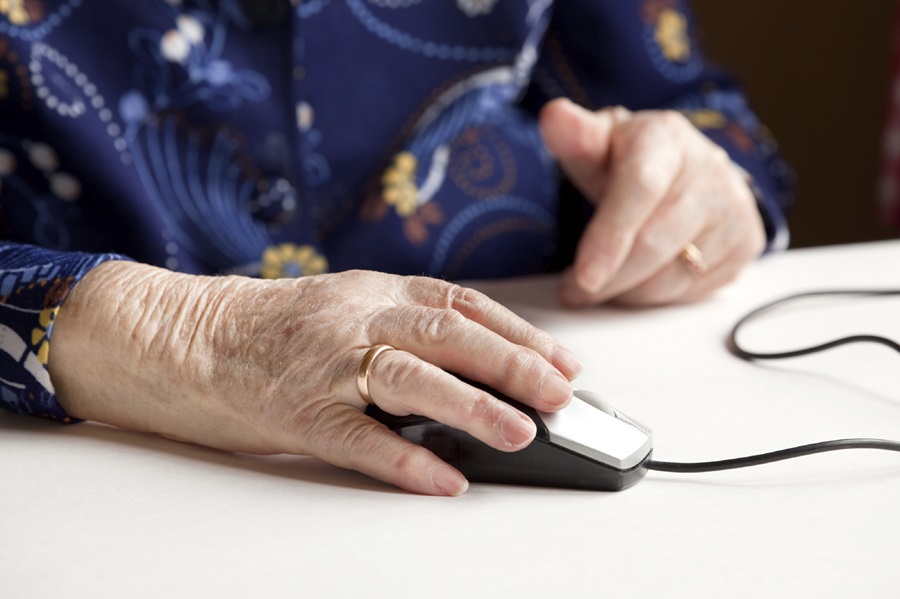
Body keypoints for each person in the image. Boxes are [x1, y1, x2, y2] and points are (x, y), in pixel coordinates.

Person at [0, 0, 793, 495]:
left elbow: (694, 105)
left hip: (572, 353)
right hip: (99, 482)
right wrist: (194, 335)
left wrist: (695, 188)